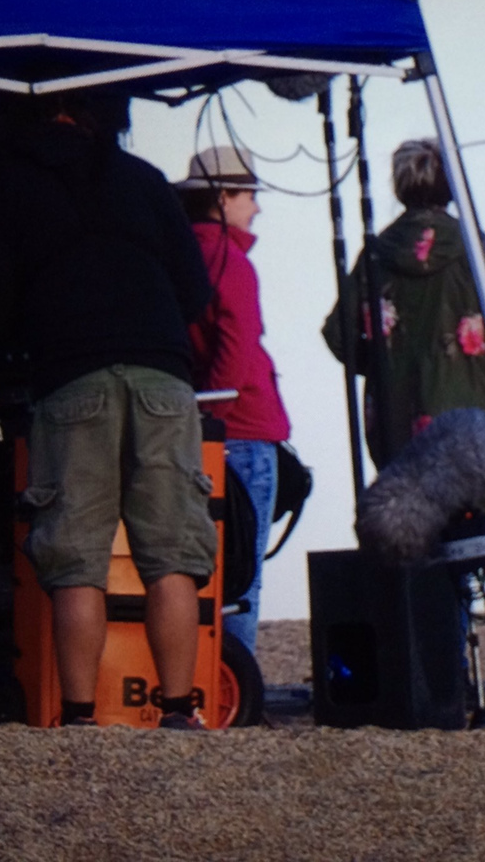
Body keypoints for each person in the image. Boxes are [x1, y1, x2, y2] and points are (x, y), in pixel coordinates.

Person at [0, 92, 217, 729]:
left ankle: (79, 721)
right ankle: (180, 714)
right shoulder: (143, 178)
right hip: (162, 372)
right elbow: (195, 291)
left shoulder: (6, 182)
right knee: (172, 555)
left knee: (76, 558)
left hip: (71, 374)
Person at [322, 137, 485, 503]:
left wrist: (384, 364)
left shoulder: (377, 252)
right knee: (468, 532)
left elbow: (338, 335)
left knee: (410, 526)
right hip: (472, 421)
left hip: (397, 421)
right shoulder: (477, 248)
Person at [175, 145, 291, 659]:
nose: (256, 207)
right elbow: (237, 350)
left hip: (204, 426)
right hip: (241, 430)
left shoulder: (182, 256)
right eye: (249, 195)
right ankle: (235, 677)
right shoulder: (230, 260)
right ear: (223, 197)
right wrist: (214, 421)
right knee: (243, 573)